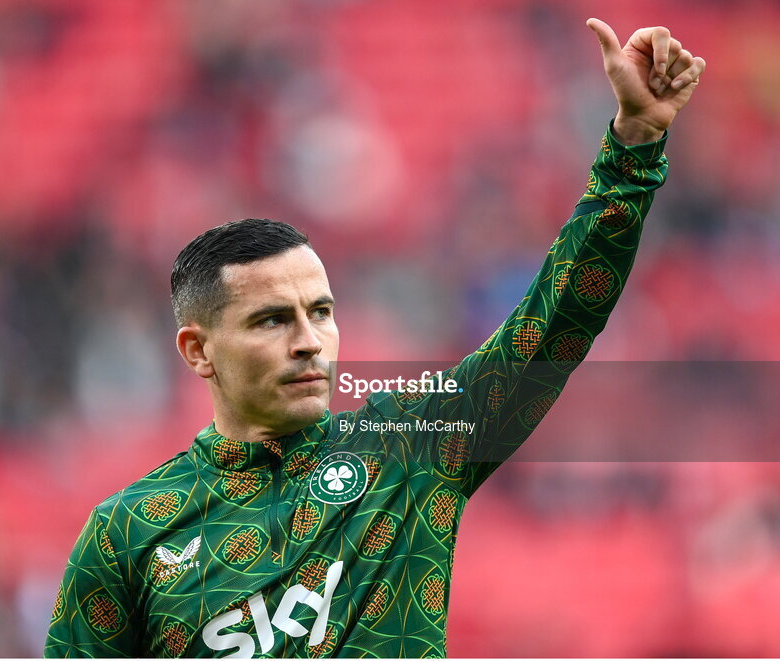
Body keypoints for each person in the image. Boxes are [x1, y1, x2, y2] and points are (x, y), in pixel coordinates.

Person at [45, 18, 705, 658]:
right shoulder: (127, 536)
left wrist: (633, 149)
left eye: (320, 312)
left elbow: (551, 329)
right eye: (271, 319)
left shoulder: (406, 454)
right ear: (199, 351)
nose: (308, 340)